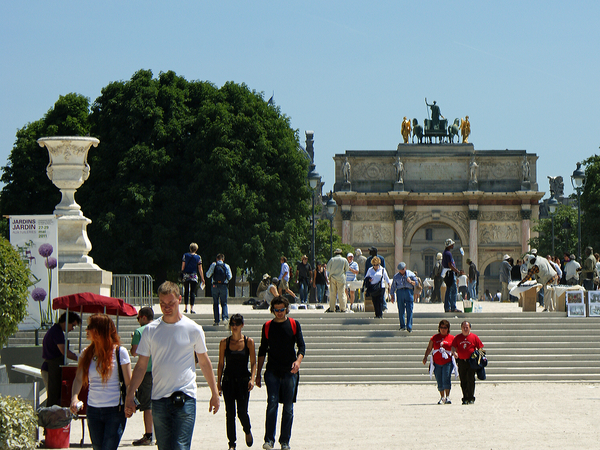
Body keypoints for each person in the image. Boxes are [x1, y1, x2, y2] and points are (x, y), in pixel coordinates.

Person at [124, 281, 220, 450]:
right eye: (162, 304)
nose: (166, 307)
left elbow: (204, 362)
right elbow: (140, 366)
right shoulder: (150, 330)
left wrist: (214, 393)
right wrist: (130, 394)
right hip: (159, 400)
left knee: (180, 447)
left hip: (185, 398)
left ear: (180, 300)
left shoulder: (193, 329)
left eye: (171, 303)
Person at [70, 314, 132, 450]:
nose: (86, 330)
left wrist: (130, 402)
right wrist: (74, 398)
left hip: (115, 411)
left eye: (89, 327)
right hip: (93, 411)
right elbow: (78, 378)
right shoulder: (86, 353)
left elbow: (129, 383)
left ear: (100, 331)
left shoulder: (120, 352)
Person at [255, 297, 306, 450]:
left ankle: (285, 441)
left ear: (286, 309)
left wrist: (298, 362)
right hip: (272, 372)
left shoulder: (293, 324)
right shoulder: (267, 326)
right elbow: (262, 350)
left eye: (281, 309)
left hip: (290, 372)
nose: (279, 313)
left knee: (288, 408)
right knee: (272, 404)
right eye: (276, 310)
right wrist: (257, 374)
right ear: (272, 310)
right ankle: (269, 440)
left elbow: (302, 347)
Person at [217, 314, 257, 450]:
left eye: (237, 324)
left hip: (243, 381)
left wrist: (252, 378)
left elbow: (253, 363)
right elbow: (221, 363)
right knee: (230, 413)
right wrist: (218, 383)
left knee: (242, 411)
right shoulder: (224, 343)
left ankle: (247, 429)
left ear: (242, 325)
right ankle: (232, 443)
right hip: (228, 381)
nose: (234, 327)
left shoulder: (248, 342)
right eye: (232, 324)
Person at [42, 311, 81, 407]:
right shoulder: (56, 331)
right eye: (73, 325)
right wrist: (80, 358)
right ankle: (50, 420)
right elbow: (65, 352)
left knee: (57, 397)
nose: (73, 328)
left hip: (53, 368)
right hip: (51, 369)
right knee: (53, 398)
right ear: (66, 322)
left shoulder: (57, 331)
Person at [130, 307, 155, 446]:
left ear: (143, 317)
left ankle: (148, 435)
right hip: (160, 370)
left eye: (138, 318)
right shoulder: (159, 328)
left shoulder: (140, 331)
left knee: (147, 405)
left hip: (146, 371)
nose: (138, 320)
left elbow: (134, 352)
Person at [422, 320, 457, 404]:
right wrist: (425, 357)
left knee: (446, 377)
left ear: (448, 329)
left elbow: (454, 347)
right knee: (439, 379)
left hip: (447, 361)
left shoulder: (452, 338)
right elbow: (429, 348)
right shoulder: (434, 337)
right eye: (441, 327)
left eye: (445, 328)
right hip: (437, 362)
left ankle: (447, 396)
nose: (443, 329)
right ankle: (442, 396)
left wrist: (455, 353)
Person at [451, 321, 484, 405]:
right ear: (461, 328)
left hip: (471, 361)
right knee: (463, 380)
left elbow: (481, 348)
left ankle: (471, 397)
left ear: (470, 328)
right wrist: (454, 352)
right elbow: (453, 346)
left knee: (470, 379)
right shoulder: (458, 337)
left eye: (467, 327)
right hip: (461, 361)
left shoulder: (474, 337)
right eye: (463, 327)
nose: (465, 329)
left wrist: (477, 356)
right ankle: (465, 397)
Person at [390, 262, 418, 332]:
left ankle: (409, 326)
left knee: (409, 309)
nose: (401, 271)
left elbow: (416, 283)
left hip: (409, 291)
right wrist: (392, 295)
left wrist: (410, 281)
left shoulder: (410, 274)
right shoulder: (396, 276)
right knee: (401, 309)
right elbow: (393, 286)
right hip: (400, 291)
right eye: (400, 270)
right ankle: (402, 326)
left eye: (402, 269)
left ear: (405, 268)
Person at [207, 253, 233, 326]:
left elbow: (208, 275)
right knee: (224, 303)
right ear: (223, 259)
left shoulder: (214, 265)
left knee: (215, 303)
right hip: (223, 286)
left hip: (215, 286)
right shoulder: (226, 266)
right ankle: (225, 319)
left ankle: (216, 321)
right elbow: (230, 276)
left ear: (216, 259)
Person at [181, 242, 205, 314]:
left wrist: (182, 272)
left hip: (186, 275)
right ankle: (192, 308)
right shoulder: (198, 257)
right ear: (196, 249)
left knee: (186, 291)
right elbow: (200, 268)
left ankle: (185, 308)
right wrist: (202, 278)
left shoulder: (185, 255)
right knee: (192, 292)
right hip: (194, 276)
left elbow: (183, 265)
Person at [326, 248, 350, 312]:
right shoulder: (344, 260)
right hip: (341, 278)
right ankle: (343, 308)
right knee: (341, 293)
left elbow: (327, 269)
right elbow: (347, 269)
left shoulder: (332, 259)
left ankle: (332, 308)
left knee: (332, 293)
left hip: (333, 278)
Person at [442, 239, 462, 313]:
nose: (453, 245)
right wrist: (457, 271)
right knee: (454, 290)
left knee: (448, 290)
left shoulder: (445, 253)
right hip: (450, 273)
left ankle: (447, 307)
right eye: (452, 244)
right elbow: (450, 265)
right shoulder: (448, 253)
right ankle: (453, 307)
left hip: (447, 273)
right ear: (449, 245)